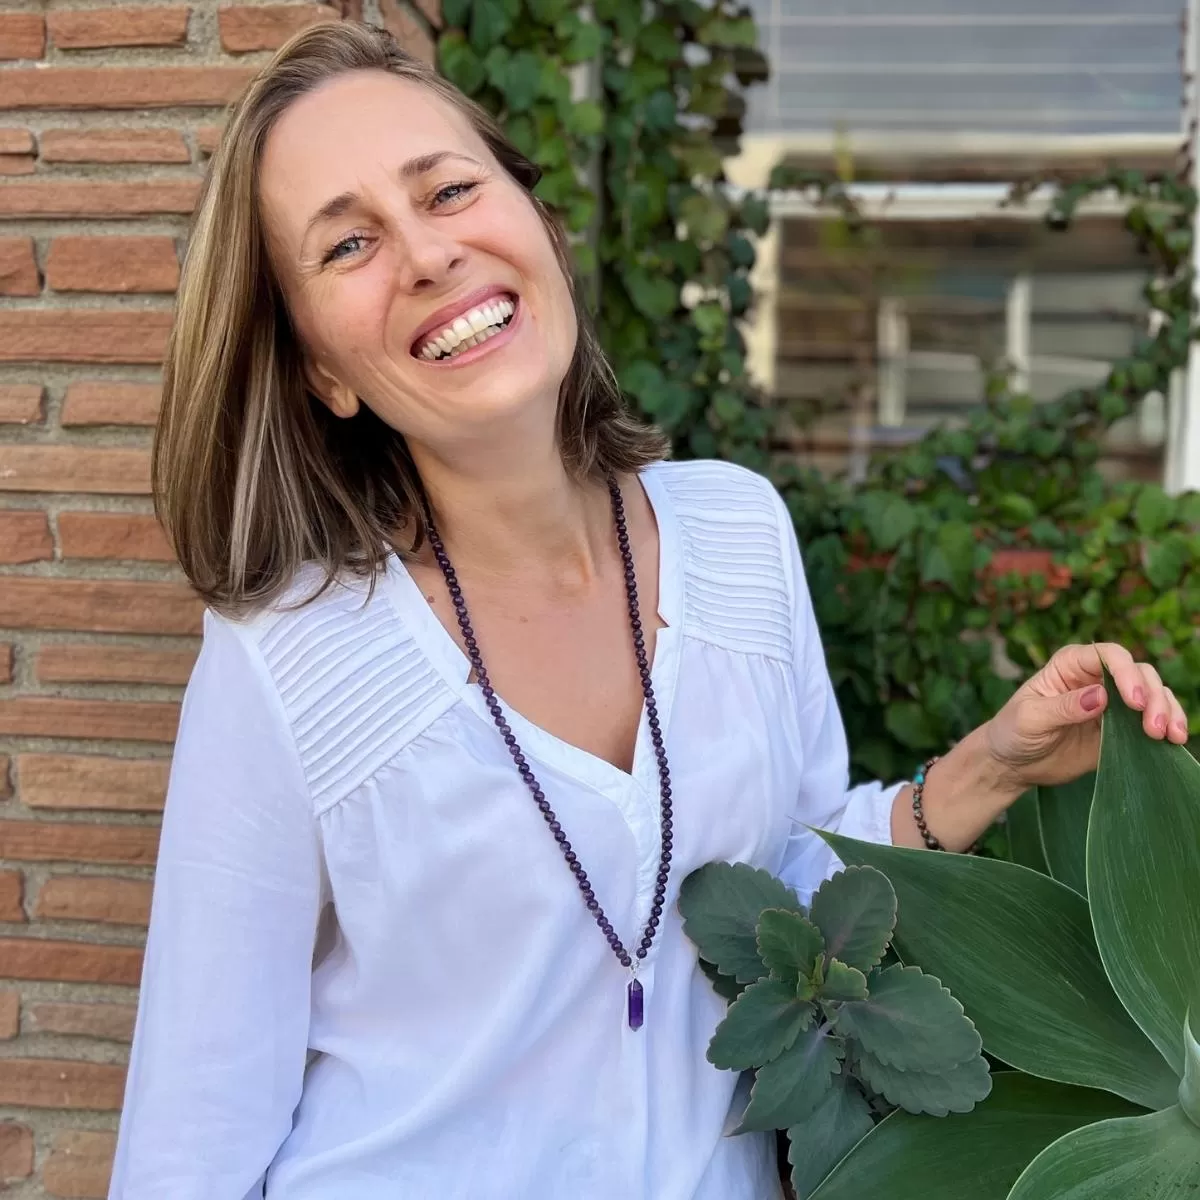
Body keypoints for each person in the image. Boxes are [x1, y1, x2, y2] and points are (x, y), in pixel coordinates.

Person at [107, 21, 1191, 1200]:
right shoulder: (291, 653)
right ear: (321, 367)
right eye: (350, 242)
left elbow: (783, 890)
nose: (426, 254)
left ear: (538, 224)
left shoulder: (736, 532)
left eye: (452, 189)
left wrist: (993, 765)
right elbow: (194, 1127)